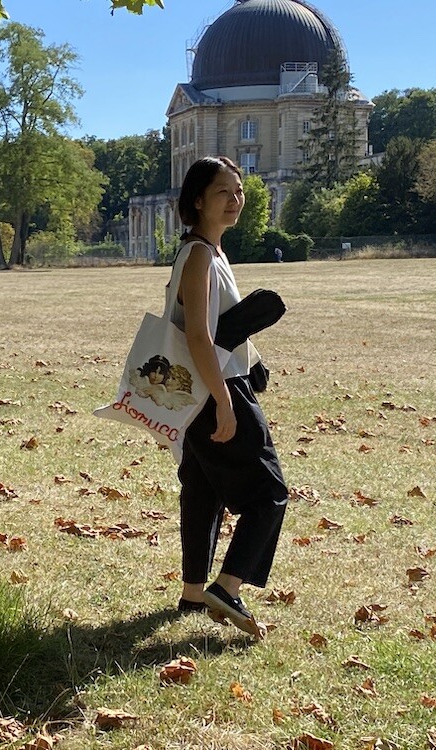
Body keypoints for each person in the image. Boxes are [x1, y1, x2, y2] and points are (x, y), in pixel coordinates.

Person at [170, 156, 288, 636]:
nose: (235, 199)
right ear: (198, 200)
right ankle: (228, 586)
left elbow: (219, 329)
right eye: (223, 191)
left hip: (201, 386)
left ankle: (193, 593)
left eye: (238, 191)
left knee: (202, 490)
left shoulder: (208, 252)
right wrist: (223, 400)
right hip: (214, 387)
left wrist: (252, 360)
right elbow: (198, 336)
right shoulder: (199, 255)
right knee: (269, 493)